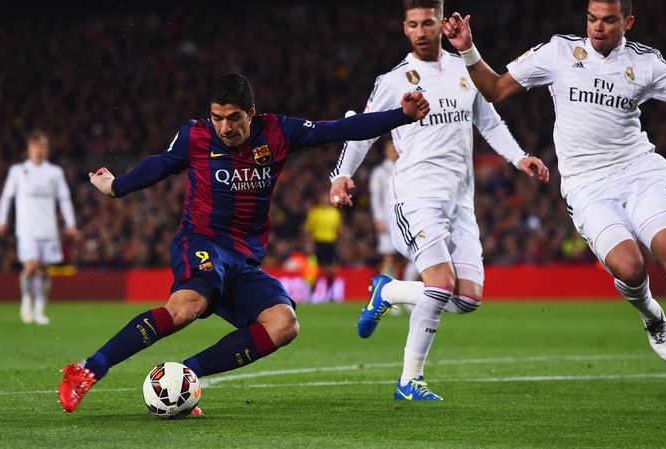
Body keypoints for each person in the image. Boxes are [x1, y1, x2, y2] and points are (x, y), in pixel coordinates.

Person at [442, 0, 666, 388]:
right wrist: (467, 48)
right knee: (631, 268)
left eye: (608, 20)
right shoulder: (558, 52)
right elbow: (496, 89)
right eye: (592, 18)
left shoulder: (646, 63)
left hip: (640, 171)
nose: (597, 26)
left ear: (628, 22)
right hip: (587, 186)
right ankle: (651, 315)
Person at [57, 73, 430, 413]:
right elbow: (160, 164)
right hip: (201, 240)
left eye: (233, 117)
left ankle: (186, 375)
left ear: (251, 112)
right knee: (187, 306)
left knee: (284, 324)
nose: (224, 127)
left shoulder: (279, 131)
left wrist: (402, 114)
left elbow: (340, 128)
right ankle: (87, 370)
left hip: (243, 259)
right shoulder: (195, 136)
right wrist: (114, 187)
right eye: (217, 117)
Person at [330, 0, 549, 401]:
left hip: (460, 201)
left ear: (439, 23)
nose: (421, 31)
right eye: (413, 25)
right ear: (404, 28)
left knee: (467, 298)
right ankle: (409, 381)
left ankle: (389, 291)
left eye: (428, 23)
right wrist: (342, 174)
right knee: (441, 283)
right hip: (415, 196)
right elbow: (362, 131)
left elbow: (489, 121)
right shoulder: (394, 80)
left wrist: (520, 158)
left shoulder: (465, 69)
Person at [0, 130, 78, 325]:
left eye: (42, 147)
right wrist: (2, 219)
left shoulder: (54, 173)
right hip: (26, 228)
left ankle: (40, 309)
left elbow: (64, 198)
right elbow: (7, 196)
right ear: (29, 149)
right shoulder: (18, 172)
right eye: (35, 146)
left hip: (48, 228)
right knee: (30, 265)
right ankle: (26, 303)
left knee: (43, 270)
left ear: (47, 150)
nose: (38, 150)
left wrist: (70, 224)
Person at [368, 138, 418, 316]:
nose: (394, 151)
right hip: (388, 220)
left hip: (406, 219)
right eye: (391, 148)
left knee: (414, 257)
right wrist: (377, 218)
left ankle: (408, 296)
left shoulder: (406, 168)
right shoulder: (380, 172)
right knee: (389, 259)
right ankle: (389, 299)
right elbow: (376, 197)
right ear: (386, 151)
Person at [304, 190, 343, 303]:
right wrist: (310, 244)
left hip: (331, 242)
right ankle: (311, 294)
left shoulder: (334, 212)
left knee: (332, 270)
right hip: (319, 242)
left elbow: (339, 229)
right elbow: (308, 230)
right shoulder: (315, 212)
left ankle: (330, 294)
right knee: (319, 270)